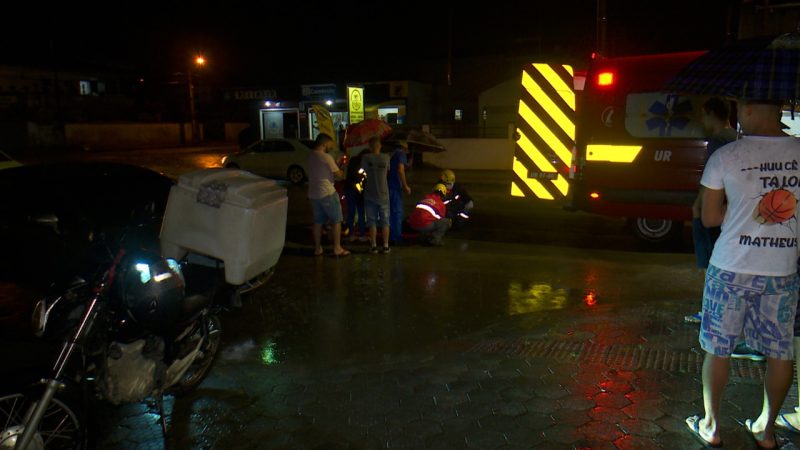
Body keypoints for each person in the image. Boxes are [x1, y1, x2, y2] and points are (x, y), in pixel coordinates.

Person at [685, 98, 800, 449]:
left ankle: (712, 426)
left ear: (750, 110)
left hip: (730, 267)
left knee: (718, 350)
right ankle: (766, 431)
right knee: (780, 352)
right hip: (781, 268)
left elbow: (709, 218)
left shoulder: (727, 156)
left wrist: (742, 211)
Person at [683, 98, 764, 360]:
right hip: (732, 212)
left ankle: (714, 313)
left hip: (718, 210)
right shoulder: (735, 139)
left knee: (710, 261)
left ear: (709, 113)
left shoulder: (721, 143)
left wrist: (699, 207)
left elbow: (711, 188)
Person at [307, 133, 349, 257]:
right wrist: (342, 166)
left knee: (318, 222)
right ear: (324, 143)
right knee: (336, 220)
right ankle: (337, 248)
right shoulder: (326, 157)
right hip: (327, 193)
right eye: (330, 143)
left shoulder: (310, 155)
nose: (331, 146)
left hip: (314, 194)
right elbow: (339, 175)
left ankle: (317, 249)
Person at [361, 136, 391, 254]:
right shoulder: (386, 158)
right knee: (385, 221)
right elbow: (387, 172)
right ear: (380, 146)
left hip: (369, 193)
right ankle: (385, 246)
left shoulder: (365, 158)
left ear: (369, 146)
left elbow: (363, 171)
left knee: (371, 221)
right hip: (383, 193)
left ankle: (373, 245)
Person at [387, 141, 412, 245]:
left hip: (388, 185)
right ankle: (396, 237)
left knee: (390, 212)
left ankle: (391, 235)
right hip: (395, 186)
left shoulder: (391, 154)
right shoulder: (401, 154)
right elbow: (401, 170)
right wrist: (405, 186)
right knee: (397, 212)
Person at [344, 148, 368, 243]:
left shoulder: (354, 160)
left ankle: (352, 234)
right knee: (360, 213)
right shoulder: (362, 164)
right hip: (356, 190)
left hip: (351, 189)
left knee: (352, 212)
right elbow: (358, 178)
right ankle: (361, 235)